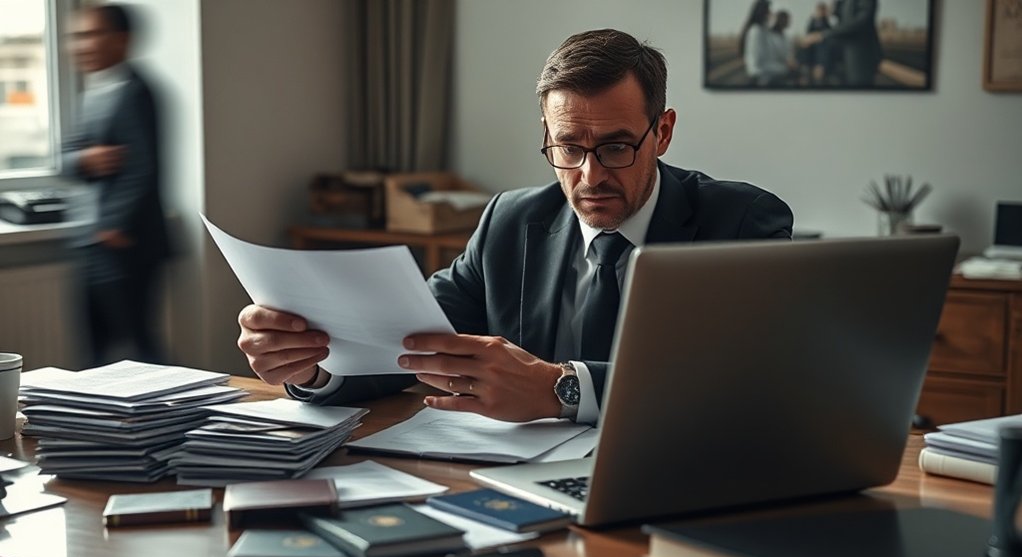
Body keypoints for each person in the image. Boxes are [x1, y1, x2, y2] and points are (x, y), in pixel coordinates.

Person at [237, 29, 793, 424]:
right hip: (517, 487)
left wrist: (561, 389)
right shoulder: (511, 219)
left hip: (673, 483)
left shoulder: (740, 222)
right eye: (568, 148)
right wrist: (313, 367)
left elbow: (747, 383)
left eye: (617, 147)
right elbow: (405, 345)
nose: (589, 175)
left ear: (663, 132)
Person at [62, 4, 169, 366]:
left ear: (121, 40)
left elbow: (144, 166)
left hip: (125, 244)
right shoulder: (92, 93)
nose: (79, 45)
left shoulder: (138, 92)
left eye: (90, 34)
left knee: (140, 349)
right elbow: (66, 158)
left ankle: (176, 413)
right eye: (76, 36)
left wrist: (115, 224)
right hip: (92, 243)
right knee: (93, 351)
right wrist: (84, 160)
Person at [802, 0, 882, 86]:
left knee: (860, 91)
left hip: (860, 55)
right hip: (844, 57)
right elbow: (841, 16)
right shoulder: (815, 21)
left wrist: (823, 35)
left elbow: (860, 23)